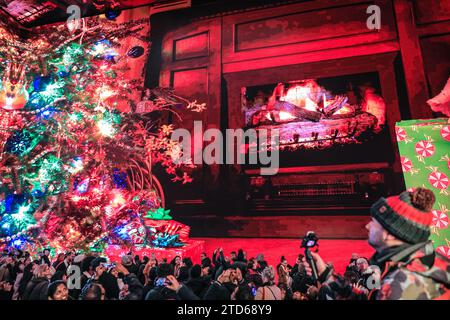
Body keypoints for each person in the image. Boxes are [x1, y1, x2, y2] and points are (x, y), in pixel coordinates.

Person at [302, 188, 450, 300]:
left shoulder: (398, 286)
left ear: (389, 233)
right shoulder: (427, 261)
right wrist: (326, 275)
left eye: (374, 222)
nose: (367, 226)